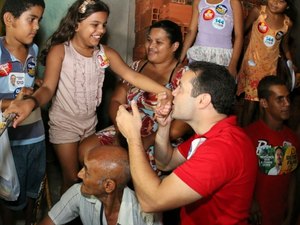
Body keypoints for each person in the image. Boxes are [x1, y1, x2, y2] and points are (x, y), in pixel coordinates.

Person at [5, 0, 172, 194]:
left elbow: (131, 75)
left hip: (90, 125)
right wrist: (32, 103)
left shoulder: (104, 53)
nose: (101, 30)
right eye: (95, 24)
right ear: (76, 24)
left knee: (90, 176)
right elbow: (48, 88)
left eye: (104, 24)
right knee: (71, 178)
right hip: (64, 124)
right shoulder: (60, 51)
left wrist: (164, 91)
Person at [115, 61, 258, 224]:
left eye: (180, 88)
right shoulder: (210, 134)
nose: (172, 92)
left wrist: (133, 138)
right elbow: (165, 162)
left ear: (203, 100)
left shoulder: (223, 148)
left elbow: (152, 201)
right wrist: (164, 126)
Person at [79, 19, 192, 173]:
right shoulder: (137, 67)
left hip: (159, 138)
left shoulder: (184, 76)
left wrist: (146, 140)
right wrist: (121, 130)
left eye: (158, 42)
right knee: (87, 149)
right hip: (127, 128)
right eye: (149, 40)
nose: (151, 46)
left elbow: (179, 128)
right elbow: (116, 100)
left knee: (133, 167)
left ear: (174, 46)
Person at [0, 0, 46, 225]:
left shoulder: (34, 50)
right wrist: (10, 103)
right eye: (32, 19)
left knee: (32, 193)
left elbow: (28, 81)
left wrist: (35, 85)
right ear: (9, 19)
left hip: (36, 137)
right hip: (9, 142)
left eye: (39, 20)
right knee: (10, 198)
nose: (37, 26)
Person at [39, 145, 162, 225]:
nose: (79, 174)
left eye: (86, 172)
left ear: (108, 186)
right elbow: (50, 221)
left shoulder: (145, 217)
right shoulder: (79, 192)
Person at [245, 75, 299, 225]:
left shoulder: (293, 139)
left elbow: (292, 177)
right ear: (264, 103)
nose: (287, 104)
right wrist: (250, 201)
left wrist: (290, 212)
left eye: (288, 98)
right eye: (280, 99)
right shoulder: (247, 137)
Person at [236, 0, 293, 127]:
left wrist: (291, 63)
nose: (275, 3)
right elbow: (241, 31)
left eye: (281, 1)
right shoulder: (258, 12)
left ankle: (258, 137)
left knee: (265, 106)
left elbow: (284, 45)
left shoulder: (287, 23)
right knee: (249, 106)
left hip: (270, 70)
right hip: (252, 67)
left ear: (288, 5)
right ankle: (243, 134)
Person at [179, 0, 244, 77]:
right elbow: (191, 31)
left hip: (221, 58)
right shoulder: (199, 2)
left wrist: (233, 64)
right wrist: (180, 59)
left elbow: (239, 35)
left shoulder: (233, 2)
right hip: (200, 55)